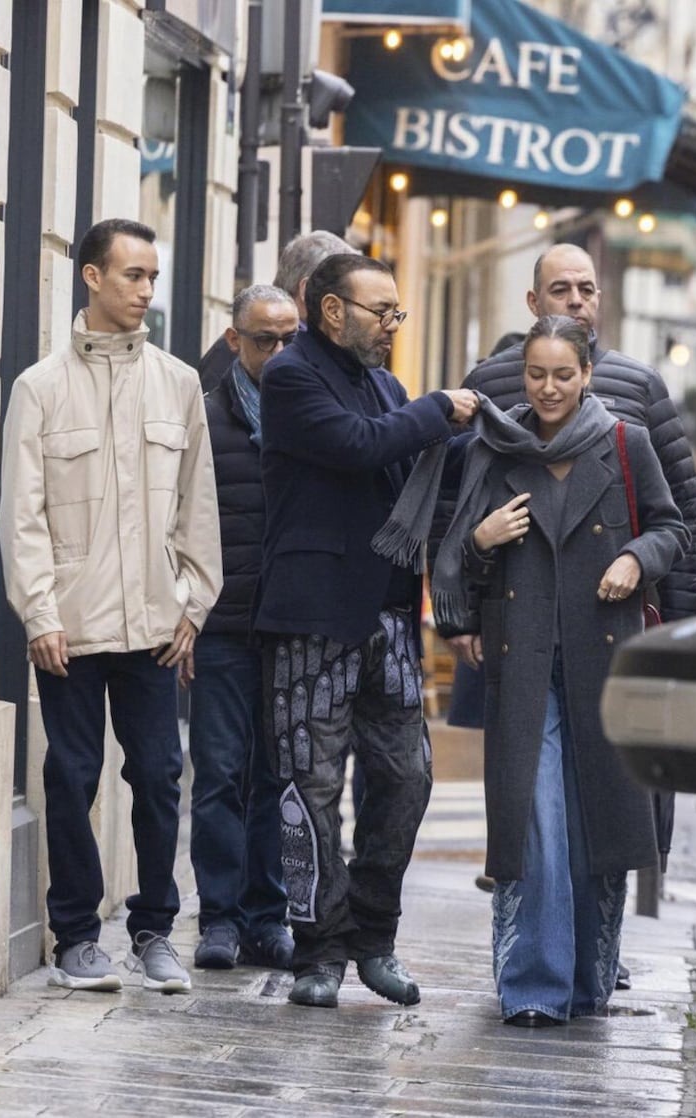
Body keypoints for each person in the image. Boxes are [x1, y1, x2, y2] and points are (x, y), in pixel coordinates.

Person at [378, 314, 689, 1025]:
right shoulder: (494, 445)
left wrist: (634, 558)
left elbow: (671, 528)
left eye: (563, 374)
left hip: (603, 660)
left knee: (591, 824)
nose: (548, 389)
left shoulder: (625, 442)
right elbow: (454, 551)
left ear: (586, 374)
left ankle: (587, 977)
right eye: (536, 375)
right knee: (537, 821)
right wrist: (483, 541)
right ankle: (535, 986)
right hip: (521, 660)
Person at [0, 218, 223, 994]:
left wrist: (192, 602)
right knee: (71, 774)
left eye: (154, 277)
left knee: (161, 774)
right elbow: (19, 513)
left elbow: (199, 508)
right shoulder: (39, 387)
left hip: (156, 624)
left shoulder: (179, 382)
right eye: (133, 276)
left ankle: (155, 930)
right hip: (71, 623)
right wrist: (39, 612)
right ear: (91, 277)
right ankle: (75, 939)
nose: (147, 292)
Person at [463, 246, 696, 967]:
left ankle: (595, 960)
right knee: (533, 808)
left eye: (587, 288)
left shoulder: (637, 395)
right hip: (523, 629)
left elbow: (677, 515)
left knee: (605, 804)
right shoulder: (490, 397)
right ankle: (534, 969)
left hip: (612, 635)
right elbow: (454, 511)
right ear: (533, 301)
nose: (576, 300)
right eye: (559, 288)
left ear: (588, 373)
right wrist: (461, 609)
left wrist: (677, 621)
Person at [254, 253, 478, 1009]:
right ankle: (318, 950)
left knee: (408, 779)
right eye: (382, 312)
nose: (392, 326)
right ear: (331, 312)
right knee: (309, 789)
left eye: (396, 313)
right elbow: (356, 445)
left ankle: (375, 936)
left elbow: (412, 470)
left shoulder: (387, 384)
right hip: (312, 618)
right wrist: (434, 411)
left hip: (387, 616)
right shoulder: (290, 376)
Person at [190, 284, 299, 971]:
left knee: (278, 777)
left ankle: (269, 917)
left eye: (292, 339)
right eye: (266, 340)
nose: (281, 352)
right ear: (235, 341)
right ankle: (220, 920)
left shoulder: (311, 415)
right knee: (220, 775)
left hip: (291, 625)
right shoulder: (204, 416)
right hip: (223, 625)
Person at [198, 231, 355, 394]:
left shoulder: (321, 348)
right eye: (342, 293)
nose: (347, 308)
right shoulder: (237, 349)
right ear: (307, 290)